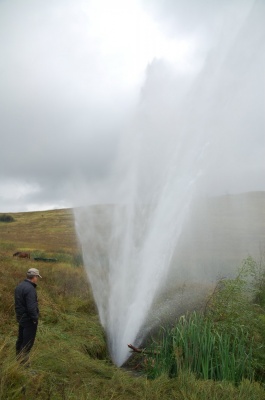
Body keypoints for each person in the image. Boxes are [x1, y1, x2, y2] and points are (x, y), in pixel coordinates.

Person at [14, 267, 42, 365]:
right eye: (37, 277)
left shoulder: (20, 286)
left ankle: (18, 360)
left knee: (21, 339)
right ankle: (24, 364)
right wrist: (35, 319)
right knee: (28, 342)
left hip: (21, 318)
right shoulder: (30, 289)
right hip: (29, 320)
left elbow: (18, 304)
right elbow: (31, 307)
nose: (37, 279)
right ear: (34, 277)